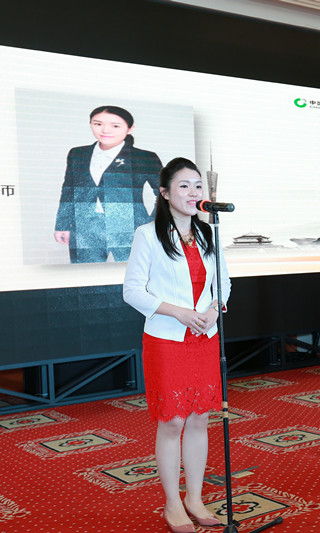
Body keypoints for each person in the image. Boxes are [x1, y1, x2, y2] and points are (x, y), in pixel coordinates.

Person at [123, 157, 230, 533]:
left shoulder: (209, 233)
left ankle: (194, 498)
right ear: (165, 193)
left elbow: (224, 283)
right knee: (173, 421)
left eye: (198, 185)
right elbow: (132, 291)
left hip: (204, 338)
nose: (193, 192)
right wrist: (179, 312)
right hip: (167, 339)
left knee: (200, 418)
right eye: (184, 186)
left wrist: (215, 309)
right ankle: (172, 503)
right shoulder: (147, 235)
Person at [55, 105, 162, 263]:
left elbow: (166, 193)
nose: (105, 130)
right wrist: (63, 224)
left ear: (130, 129)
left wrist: (152, 224)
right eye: (98, 124)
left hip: (130, 228)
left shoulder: (144, 157)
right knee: (86, 275)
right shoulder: (77, 154)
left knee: (136, 273)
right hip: (85, 229)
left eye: (115, 126)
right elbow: (69, 190)